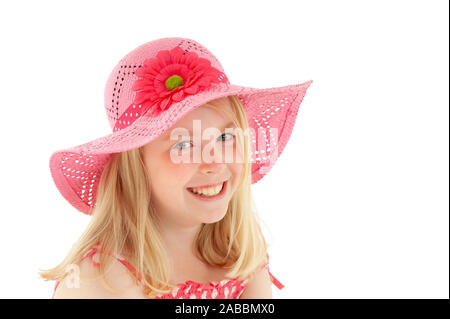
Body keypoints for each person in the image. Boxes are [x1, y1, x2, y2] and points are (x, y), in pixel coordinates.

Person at [39, 37, 313, 299]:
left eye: (225, 138)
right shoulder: (103, 281)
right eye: (183, 146)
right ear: (136, 166)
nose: (214, 162)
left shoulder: (241, 255)